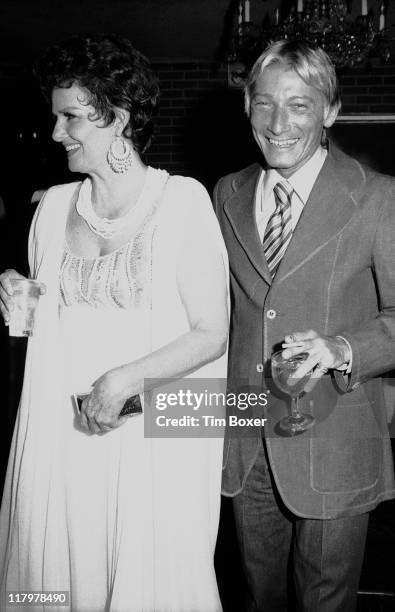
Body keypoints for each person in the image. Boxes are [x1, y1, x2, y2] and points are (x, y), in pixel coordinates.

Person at [0, 34, 229, 611]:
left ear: (118, 118)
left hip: (148, 436)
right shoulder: (49, 208)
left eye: (70, 118)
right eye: (56, 117)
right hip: (63, 436)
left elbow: (212, 331)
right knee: (56, 581)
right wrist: (17, 300)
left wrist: (126, 380)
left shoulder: (182, 202)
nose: (56, 133)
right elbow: (38, 330)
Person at [214, 40, 395, 611]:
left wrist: (343, 346)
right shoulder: (226, 193)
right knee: (258, 595)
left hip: (335, 433)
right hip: (245, 435)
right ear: (247, 108)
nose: (278, 122)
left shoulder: (379, 197)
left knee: (325, 602)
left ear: (330, 111)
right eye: (264, 104)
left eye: (298, 105)